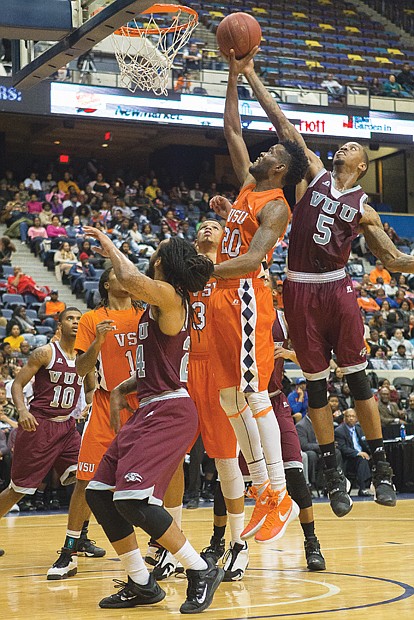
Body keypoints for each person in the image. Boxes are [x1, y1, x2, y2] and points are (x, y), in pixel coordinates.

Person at [242, 48, 412, 517]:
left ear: (362, 165)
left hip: (337, 288)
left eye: (353, 149)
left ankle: (380, 466)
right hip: (298, 288)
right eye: (342, 146)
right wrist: (251, 74)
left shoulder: (365, 208)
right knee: (316, 385)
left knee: (359, 380)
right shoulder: (314, 174)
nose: (343, 149)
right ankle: (333, 471)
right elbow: (282, 124)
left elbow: (395, 260)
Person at [81, 227, 222, 613]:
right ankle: (140, 582)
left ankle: (199, 568)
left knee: (131, 500)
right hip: (149, 406)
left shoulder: (172, 295)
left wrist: (107, 243)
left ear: (162, 260)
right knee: (99, 493)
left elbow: (126, 278)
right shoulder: (156, 306)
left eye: (156, 253)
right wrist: (124, 387)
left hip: (170, 411)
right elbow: (157, 365)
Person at [208, 49, 308, 544]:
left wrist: (202, 271)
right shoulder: (250, 189)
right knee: (230, 397)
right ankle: (261, 487)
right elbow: (232, 132)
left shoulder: (277, 207)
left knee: (252, 393)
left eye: (270, 154)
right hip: (222, 296)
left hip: (245, 297)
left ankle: (280, 495)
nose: (261, 152)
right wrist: (232, 78)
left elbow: (251, 263)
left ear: (280, 171)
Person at [155, 219, 249, 582]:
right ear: (193, 239)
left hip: (222, 369)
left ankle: (239, 545)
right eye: (203, 226)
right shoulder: (181, 276)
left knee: (227, 460)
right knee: (173, 458)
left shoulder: (231, 270)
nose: (209, 229)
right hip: (183, 368)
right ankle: (170, 545)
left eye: (216, 225)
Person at [46, 268, 143, 579]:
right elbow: (80, 368)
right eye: (117, 273)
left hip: (144, 404)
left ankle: (160, 547)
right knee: (85, 481)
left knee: (156, 479)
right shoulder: (90, 319)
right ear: (106, 283)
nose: (126, 277)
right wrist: (99, 340)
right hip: (105, 404)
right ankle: (69, 550)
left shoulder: (145, 314)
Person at [0, 308, 95, 562]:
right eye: (70, 319)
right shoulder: (45, 353)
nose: (75, 323)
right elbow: (17, 384)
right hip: (39, 426)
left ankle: (80, 537)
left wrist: (90, 403)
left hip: (67, 428)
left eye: (79, 320)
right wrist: (21, 411)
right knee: (17, 490)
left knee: (85, 479)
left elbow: (90, 389)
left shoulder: (85, 356)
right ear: (59, 324)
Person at [335, 409, 372, 496]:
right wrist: (358, 453)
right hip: (349, 459)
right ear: (344, 418)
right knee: (361, 460)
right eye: (348, 416)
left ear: (357, 419)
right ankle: (362, 488)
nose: (351, 418)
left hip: (362, 455)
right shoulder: (339, 431)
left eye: (353, 416)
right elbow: (343, 448)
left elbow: (366, 444)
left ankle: (383, 486)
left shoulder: (360, 429)